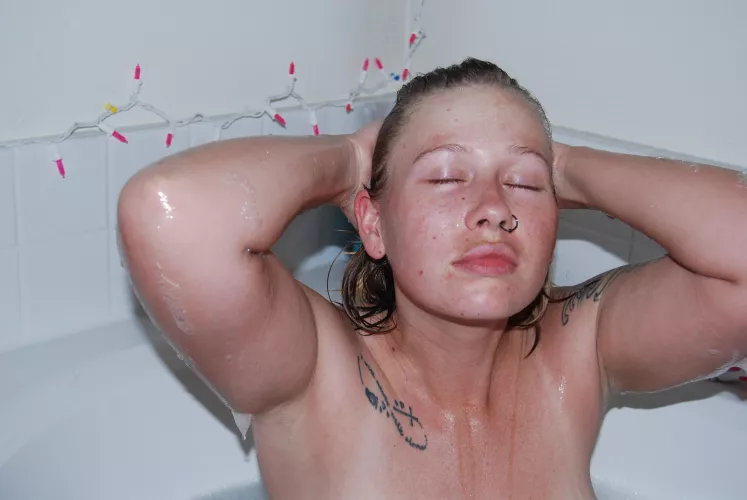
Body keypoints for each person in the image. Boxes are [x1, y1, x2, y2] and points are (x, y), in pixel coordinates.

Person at [117, 58, 747, 499]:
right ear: (373, 223)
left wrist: (568, 167)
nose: (494, 208)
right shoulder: (314, 372)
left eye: (525, 184)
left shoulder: (580, 349)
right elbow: (166, 212)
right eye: (446, 177)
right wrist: (349, 160)